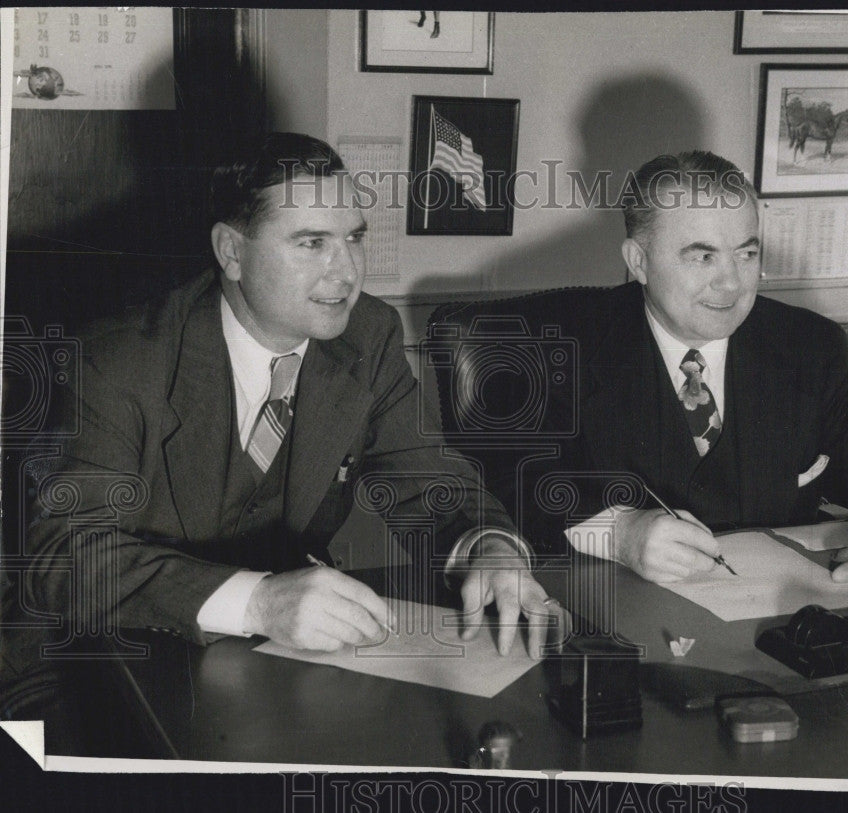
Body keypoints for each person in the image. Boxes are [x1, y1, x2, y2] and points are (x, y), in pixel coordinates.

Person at [15, 132, 551, 658]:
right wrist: (257, 603)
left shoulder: (369, 335)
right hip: (108, 658)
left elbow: (429, 480)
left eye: (355, 238)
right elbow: (59, 555)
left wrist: (489, 546)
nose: (347, 272)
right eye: (312, 242)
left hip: (274, 660)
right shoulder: (116, 360)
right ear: (232, 252)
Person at [442, 152, 848, 598]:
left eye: (746, 254)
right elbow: (501, 485)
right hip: (606, 619)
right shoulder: (554, 347)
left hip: (770, 624)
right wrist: (617, 531)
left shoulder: (806, 347)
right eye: (702, 257)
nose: (732, 284)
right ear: (639, 262)